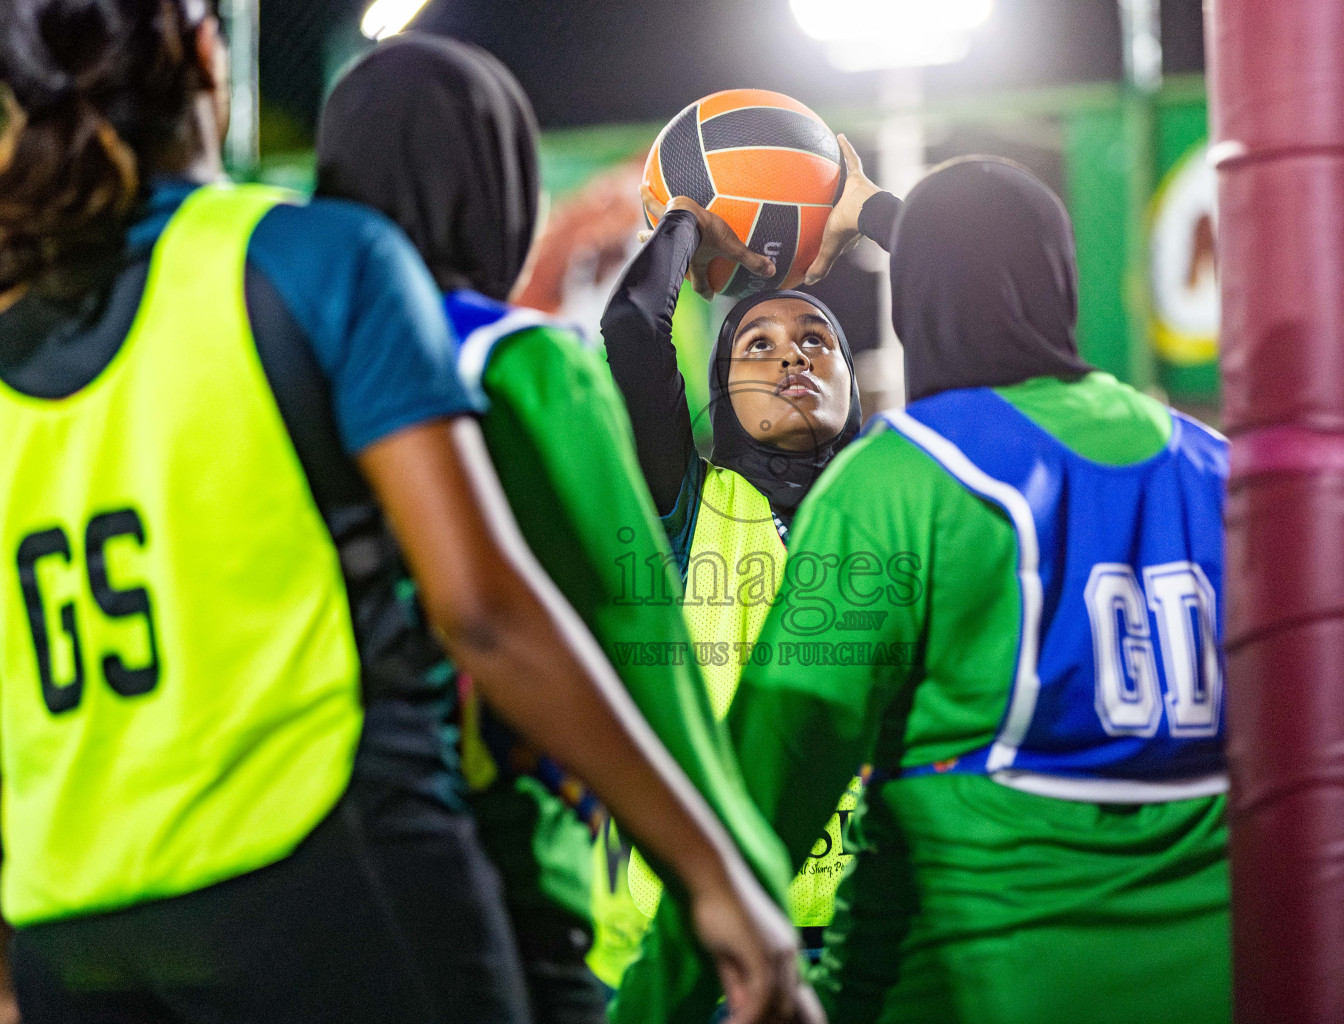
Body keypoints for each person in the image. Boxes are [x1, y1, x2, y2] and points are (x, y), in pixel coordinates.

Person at [0, 4, 816, 1023]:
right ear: (208, 50)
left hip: (69, 910)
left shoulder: (23, 329)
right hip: (311, 865)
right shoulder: (312, 265)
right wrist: (718, 868)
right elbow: (495, 611)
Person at [671, 154, 1236, 1023]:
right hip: (1225, 974)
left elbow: (768, 793)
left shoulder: (902, 475)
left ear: (909, 303)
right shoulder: (1219, 469)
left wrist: (648, 1002)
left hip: (980, 978)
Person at [313, 36, 800, 1024]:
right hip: (486, 862)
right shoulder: (518, 362)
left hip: (280, 864)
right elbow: (641, 643)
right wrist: (736, 876)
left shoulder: (276, 355)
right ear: (497, 187)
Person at [597, 148, 881, 997]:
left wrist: (871, 211)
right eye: (756, 344)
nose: (791, 357)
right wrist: (689, 218)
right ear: (720, 391)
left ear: (852, 381)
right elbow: (631, 328)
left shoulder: (904, 494)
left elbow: (980, 297)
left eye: (816, 341)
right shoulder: (685, 506)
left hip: (876, 928)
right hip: (712, 940)